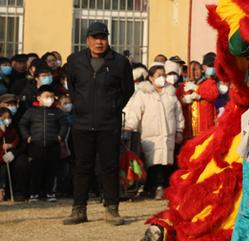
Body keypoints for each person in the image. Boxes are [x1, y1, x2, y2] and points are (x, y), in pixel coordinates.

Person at [64, 21, 135, 225]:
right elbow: (73, 87)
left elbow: (128, 90)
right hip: (82, 124)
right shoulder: (74, 61)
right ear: (87, 40)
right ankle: (79, 209)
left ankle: (112, 208)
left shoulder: (120, 62)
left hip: (108, 124)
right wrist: (81, 106)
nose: (99, 42)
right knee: (82, 167)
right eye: (95, 38)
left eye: (103, 38)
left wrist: (113, 107)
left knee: (109, 167)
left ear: (107, 39)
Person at [123, 64, 185, 200]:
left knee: (166, 163)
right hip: (150, 136)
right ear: (150, 78)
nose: (162, 78)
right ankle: (152, 187)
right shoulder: (143, 94)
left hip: (168, 135)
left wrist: (179, 130)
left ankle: (161, 188)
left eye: (164, 75)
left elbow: (178, 114)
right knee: (152, 163)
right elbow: (135, 112)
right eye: (158, 75)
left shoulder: (170, 94)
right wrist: (129, 127)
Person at [19, 85, 68, 202]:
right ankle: (34, 193)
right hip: (35, 146)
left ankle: (50, 193)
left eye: (51, 96)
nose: (49, 99)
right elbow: (22, 124)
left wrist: (61, 136)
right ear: (39, 98)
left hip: (53, 146)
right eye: (46, 96)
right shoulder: (31, 111)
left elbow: (64, 125)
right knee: (35, 170)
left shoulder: (57, 112)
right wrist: (27, 137)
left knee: (51, 170)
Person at [0, 107, 19, 201]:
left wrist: (10, 145)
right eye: (4, 118)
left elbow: (16, 139)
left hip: (5, 156)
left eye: (8, 117)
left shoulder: (11, 129)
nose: (7, 120)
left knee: (3, 174)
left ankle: (2, 192)